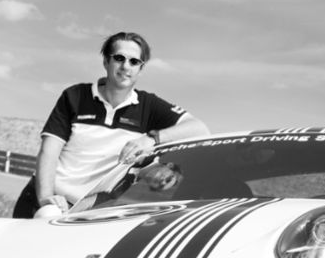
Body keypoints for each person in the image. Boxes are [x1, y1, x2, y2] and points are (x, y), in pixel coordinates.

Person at [12, 32, 209, 218]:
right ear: (106, 61)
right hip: (45, 201)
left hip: (86, 211)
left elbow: (200, 129)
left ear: (140, 69)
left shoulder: (148, 106)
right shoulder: (75, 96)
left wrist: (152, 139)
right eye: (119, 58)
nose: (126, 66)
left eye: (134, 61)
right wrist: (46, 199)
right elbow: (49, 151)